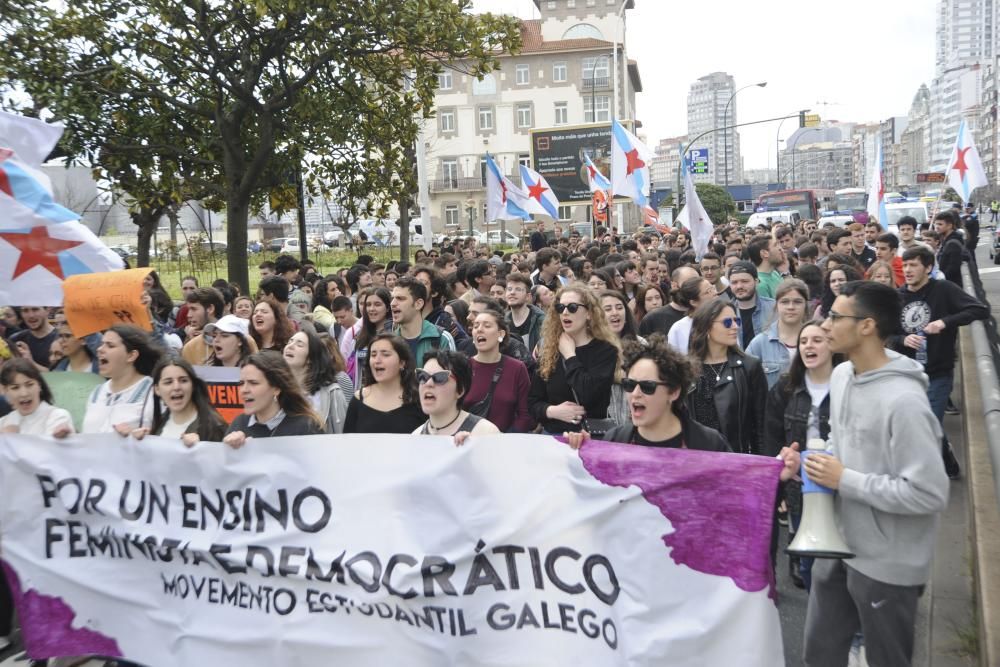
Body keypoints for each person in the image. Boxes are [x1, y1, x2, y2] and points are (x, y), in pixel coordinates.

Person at [803, 281, 949, 667]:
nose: (825, 324)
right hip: (839, 545)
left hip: (888, 563)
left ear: (866, 326)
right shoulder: (841, 375)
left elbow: (929, 493)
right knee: (819, 653)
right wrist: (814, 461)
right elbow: (841, 441)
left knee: (887, 658)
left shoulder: (905, 403)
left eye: (835, 316)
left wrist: (844, 479)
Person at [893, 245, 989, 478]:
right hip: (908, 373)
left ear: (928, 267)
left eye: (913, 265)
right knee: (923, 421)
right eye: (905, 265)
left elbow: (980, 310)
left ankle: (925, 477)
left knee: (928, 421)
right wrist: (904, 339)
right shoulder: (898, 296)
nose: (907, 270)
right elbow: (887, 334)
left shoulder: (943, 289)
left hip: (938, 371)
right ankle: (947, 458)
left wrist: (945, 322)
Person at [764, 320, 842, 590]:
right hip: (800, 486)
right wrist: (779, 483)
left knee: (839, 559)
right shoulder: (787, 386)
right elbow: (772, 435)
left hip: (841, 483)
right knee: (809, 562)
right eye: (804, 341)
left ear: (831, 345)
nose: (809, 346)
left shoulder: (847, 383)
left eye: (817, 340)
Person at [527, 284, 620, 435]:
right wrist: (553, 411)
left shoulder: (605, 351)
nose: (565, 313)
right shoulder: (549, 350)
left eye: (572, 307)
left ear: (589, 313)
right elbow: (533, 402)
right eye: (560, 308)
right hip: (554, 437)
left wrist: (570, 355)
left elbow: (588, 394)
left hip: (591, 438)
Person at [685, 299, 767, 455]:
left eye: (737, 321)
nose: (735, 327)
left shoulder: (749, 366)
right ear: (707, 326)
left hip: (737, 458)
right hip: (697, 460)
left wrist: (760, 464)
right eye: (728, 322)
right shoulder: (687, 369)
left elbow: (761, 424)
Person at [223, 352, 326, 446]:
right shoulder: (238, 424)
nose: (244, 390)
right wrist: (228, 450)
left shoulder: (306, 427)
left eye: (253, 383)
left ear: (276, 388)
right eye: (241, 383)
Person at [82, 325, 161, 435]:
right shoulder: (97, 392)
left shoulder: (153, 392)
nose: (99, 349)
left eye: (110, 345)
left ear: (131, 355)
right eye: (101, 344)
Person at [464, 308, 534, 432]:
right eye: (475, 326)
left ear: (501, 334)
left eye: (487, 326)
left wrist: (503, 439)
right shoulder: (463, 367)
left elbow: (525, 414)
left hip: (506, 444)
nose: (479, 329)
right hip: (467, 442)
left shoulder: (517, 368)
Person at [131, 358, 227, 445]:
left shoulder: (214, 427)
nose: (176, 387)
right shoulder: (157, 426)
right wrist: (136, 442)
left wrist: (200, 448)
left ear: (193, 385)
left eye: (183, 380)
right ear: (157, 389)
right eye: (168, 382)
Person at [343, 333, 425, 434]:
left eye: (385, 354)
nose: (377, 360)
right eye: (373, 355)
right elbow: (348, 443)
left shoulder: (419, 399)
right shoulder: (358, 399)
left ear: (402, 363)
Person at [414, 350, 500, 438]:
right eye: (423, 376)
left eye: (440, 377)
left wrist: (473, 448)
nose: (428, 383)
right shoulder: (415, 437)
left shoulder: (485, 432)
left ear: (460, 390)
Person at [283, 330, 350, 434]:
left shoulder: (332, 393)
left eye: (299, 344)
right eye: (289, 341)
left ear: (310, 357)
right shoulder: (276, 390)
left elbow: (342, 434)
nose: (290, 346)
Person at [747, 279, 809, 388]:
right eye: (785, 302)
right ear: (776, 305)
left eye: (797, 302)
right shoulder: (759, 344)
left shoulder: (815, 340)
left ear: (806, 305)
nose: (791, 307)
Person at [0, 358, 74, 437]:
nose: (24, 393)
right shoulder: (3, 422)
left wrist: (10, 439)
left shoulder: (58, 416)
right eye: (15, 388)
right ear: (5, 390)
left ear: (39, 385)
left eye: (30, 385)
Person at [391, 276, 454, 367]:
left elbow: (452, 378)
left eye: (400, 298)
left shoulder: (442, 338)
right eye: (392, 298)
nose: (392, 303)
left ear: (418, 304)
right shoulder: (389, 341)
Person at [638, 265, 700, 337]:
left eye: (698, 283)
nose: (695, 287)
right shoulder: (652, 318)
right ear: (674, 285)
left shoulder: (704, 314)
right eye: (690, 283)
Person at [727, 261, 775, 350]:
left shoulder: (774, 308)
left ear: (756, 281)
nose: (739, 286)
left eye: (744, 281)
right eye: (734, 282)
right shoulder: (724, 312)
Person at [666, 277, 716, 354]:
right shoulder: (678, 328)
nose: (714, 293)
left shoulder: (723, 319)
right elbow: (673, 360)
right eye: (708, 292)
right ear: (693, 302)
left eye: (713, 288)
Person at [180, 287, 225, 364]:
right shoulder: (190, 346)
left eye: (193, 309)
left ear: (210, 309)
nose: (188, 315)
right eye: (189, 310)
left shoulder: (239, 340)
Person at [505, 273, 545, 355]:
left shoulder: (541, 320)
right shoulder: (502, 322)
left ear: (528, 296)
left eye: (518, 289)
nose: (512, 292)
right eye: (509, 289)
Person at [8, 305, 56, 370]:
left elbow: (61, 376)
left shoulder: (60, 338)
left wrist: (31, 363)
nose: (31, 315)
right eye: (25, 311)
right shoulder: (15, 339)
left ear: (47, 310)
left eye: (35, 309)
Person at [934, 209, 968, 285]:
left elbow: (952, 269)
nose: (936, 227)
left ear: (949, 225)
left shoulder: (953, 244)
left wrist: (940, 281)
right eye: (935, 224)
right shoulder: (946, 240)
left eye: (940, 224)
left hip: (950, 286)